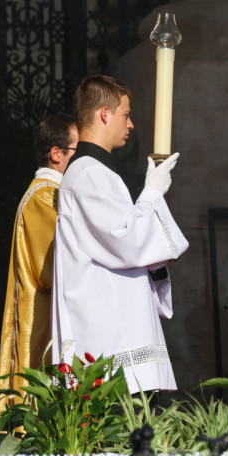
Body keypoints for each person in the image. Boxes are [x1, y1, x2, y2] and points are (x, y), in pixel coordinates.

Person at [51, 75, 189, 395]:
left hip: (118, 323)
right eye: (126, 115)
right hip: (111, 332)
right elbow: (126, 240)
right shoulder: (88, 173)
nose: (131, 124)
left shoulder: (95, 172)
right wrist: (152, 193)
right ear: (104, 114)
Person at [0, 114, 77, 412]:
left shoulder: (53, 193)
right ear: (57, 154)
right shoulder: (45, 197)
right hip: (41, 329)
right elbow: (56, 269)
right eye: (78, 151)